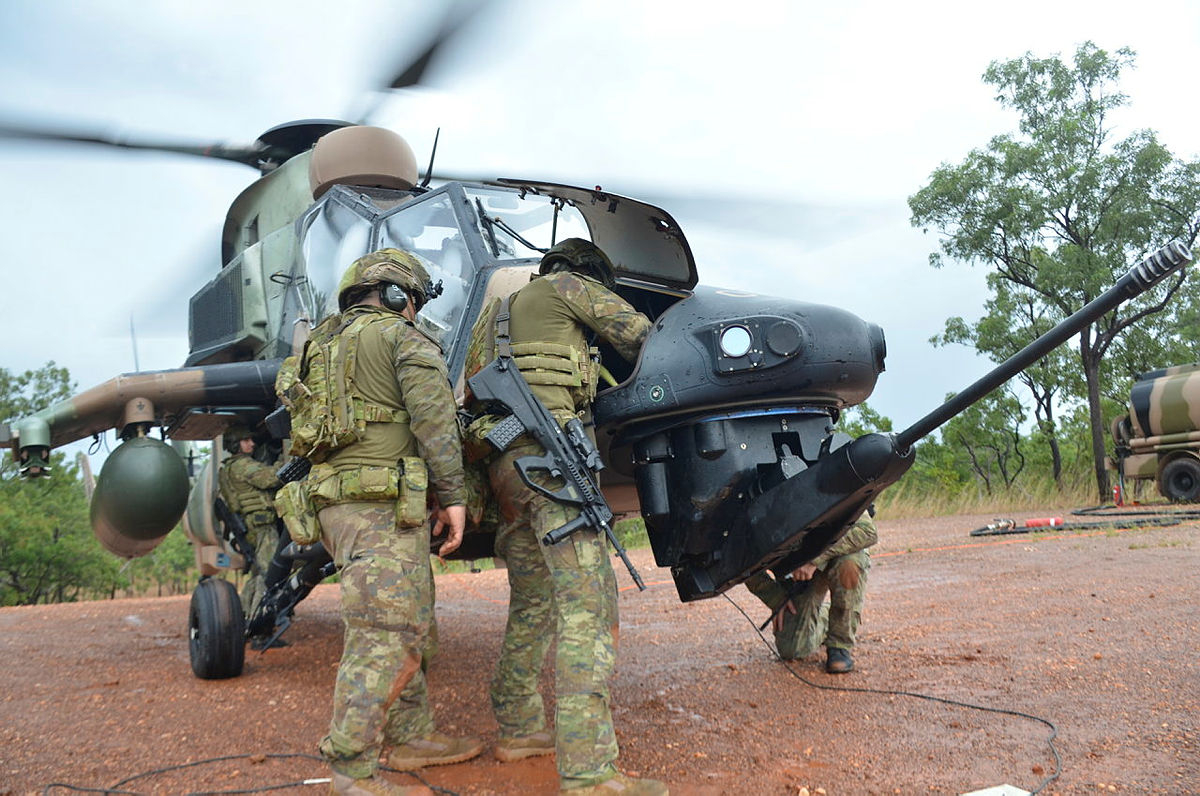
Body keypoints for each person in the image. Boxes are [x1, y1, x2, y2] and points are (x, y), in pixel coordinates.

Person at [469, 239, 666, 794]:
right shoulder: (570, 288)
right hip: (552, 460)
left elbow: (469, 390)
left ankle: (520, 727)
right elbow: (640, 335)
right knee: (589, 606)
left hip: (507, 467)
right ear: (584, 273)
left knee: (534, 602)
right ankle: (588, 771)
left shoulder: (494, 316)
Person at [291, 248, 482, 796]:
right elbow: (436, 421)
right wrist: (453, 497)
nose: (415, 311)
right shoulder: (402, 338)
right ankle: (351, 774)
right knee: (386, 634)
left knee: (408, 618)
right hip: (376, 507)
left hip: (338, 505)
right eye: (414, 301)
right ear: (400, 296)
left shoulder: (318, 347)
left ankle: (411, 734)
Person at [745, 512, 877, 673]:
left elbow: (867, 531)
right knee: (793, 649)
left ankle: (839, 644)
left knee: (848, 566)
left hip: (840, 553)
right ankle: (826, 618)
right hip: (799, 569)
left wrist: (815, 559)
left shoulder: (832, 486)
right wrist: (776, 598)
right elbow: (741, 556)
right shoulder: (760, 495)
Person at [217, 426, 286, 649]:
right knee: (270, 576)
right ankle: (260, 632)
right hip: (262, 526)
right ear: (236, 444)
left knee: (257, 575)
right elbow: (271, 478)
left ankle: (244, 620)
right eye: (246, 441)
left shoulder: (227, 469)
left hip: (252, 527)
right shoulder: (243, 466)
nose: (252, 444)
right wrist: (287, 456)